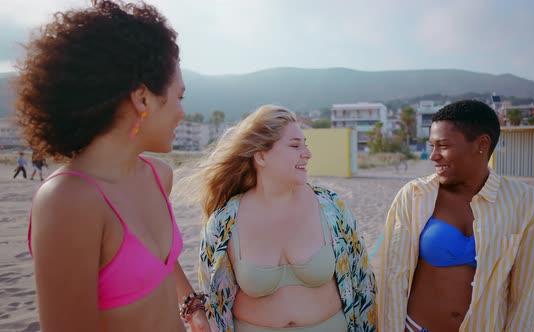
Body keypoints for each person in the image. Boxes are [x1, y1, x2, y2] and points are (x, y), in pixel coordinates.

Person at [16, 1, 202, 331]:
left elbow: (160, 262)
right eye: (180, 97)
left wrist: (192, 307)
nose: (182, 113)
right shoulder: (69, 201)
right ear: (143, 98)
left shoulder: (158, 175)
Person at [188, 105, 377, 332]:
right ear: (261, 156)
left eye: (305, 145)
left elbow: (362, 282)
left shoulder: (331, 207)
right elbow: (213, 298)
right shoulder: (224, 222)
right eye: (295, 145)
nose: (307, 153)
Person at [377, 100, 534, 331]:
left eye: (443, 146)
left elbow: (526, 296)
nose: (433, 156)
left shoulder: (528, 204)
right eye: (432, 146)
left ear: (481, 144)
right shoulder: (414, 196)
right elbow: (393, 279)